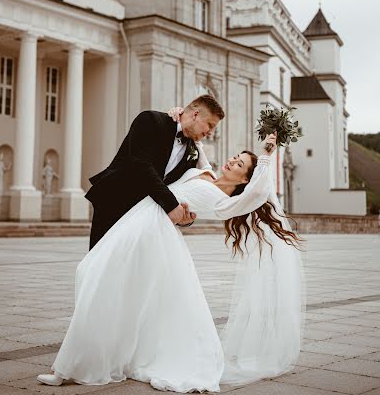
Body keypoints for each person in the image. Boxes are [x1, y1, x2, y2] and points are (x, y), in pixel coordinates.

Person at [37, 131, 304, 392]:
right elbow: (194, 140)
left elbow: (256, 194)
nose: (232, 160)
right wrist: (177, 116)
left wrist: (266, 155)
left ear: (245, 178)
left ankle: (67, 368)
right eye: (236, 156)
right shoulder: (205, 172)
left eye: (240, 164)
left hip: (153, 233)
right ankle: (96, 358)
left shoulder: (223, 203)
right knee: (95, 274)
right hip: (137, 221)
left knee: (100, 278)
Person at [87, 94, 225, 249]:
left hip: (145, 217)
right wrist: (172, 206)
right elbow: (140, 165)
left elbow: (182, 188)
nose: (211, 132)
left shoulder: (193, 153)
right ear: (195, 114)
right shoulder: (150, 120)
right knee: (98, 262)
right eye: (210, 125)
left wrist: (185, 218)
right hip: (115, 202)